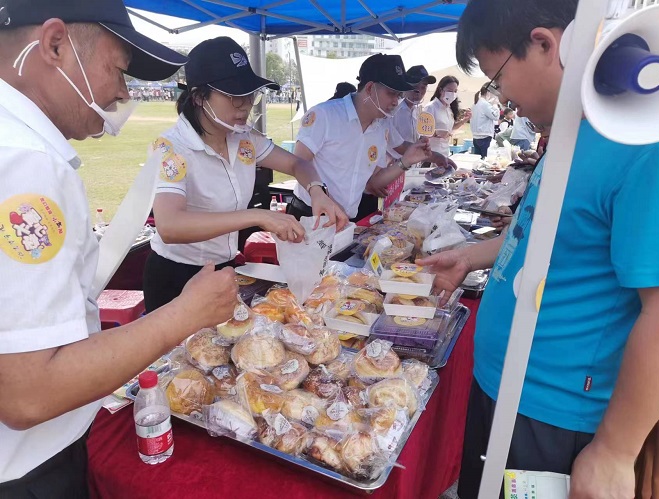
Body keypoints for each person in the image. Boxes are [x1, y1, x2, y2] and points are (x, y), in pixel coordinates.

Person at [418, 0, 659, 498]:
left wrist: (616, 450)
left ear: (544, 44)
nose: (501, 95)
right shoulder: (573, 130)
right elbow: (537, 234)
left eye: (497, 77)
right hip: (504, 389)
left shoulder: (642, 142)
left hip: (555, 416)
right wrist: (470, 256)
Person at [0, 1, 243, 497]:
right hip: (26, 467)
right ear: (53, 45)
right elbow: (27, 392)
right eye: (118, 70)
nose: (122, 93)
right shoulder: (24, 164)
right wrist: (186, 313)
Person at [143, 37, 346, 313]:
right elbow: (170, 226)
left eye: (250, 95)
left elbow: (299, 165)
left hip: (223, 269)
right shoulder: (171, 148)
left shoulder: (245, 139)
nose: (245, 105)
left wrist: (317, 191)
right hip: (177, 275)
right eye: (234, 96)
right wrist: (258, 216)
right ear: (200, 97)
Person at [287, 53, 434, 220]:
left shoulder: (381, 127)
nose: (395, 101)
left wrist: (406, 161)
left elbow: (373, 182)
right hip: (309, 215)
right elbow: (297, 163)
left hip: (346, 220)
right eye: (391, 93)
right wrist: (318, 194)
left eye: (399, 95)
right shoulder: (325, 115)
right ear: (370, 88)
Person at [423, 75, 471, 157]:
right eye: (450, 91)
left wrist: (464, 120)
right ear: (441, 90)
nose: (452, 94)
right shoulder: (430, 108)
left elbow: (450, 128)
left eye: (455, 91)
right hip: (431, 153)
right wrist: (436, 133)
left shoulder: (448, 108)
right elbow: (422, 133)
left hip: (445, 152)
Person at [390, 65, 437, 144]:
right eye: (415, 86)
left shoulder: (419, 111)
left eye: (423, 87)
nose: (419, 91)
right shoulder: (393, 111)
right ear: (405, 85)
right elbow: (393, 144)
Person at [470, 84, 501, 158]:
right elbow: (496, 116)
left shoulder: (475, 103)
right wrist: (495, 105)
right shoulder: (485, 104)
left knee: (478, 160)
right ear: (488, 92)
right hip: (484, 136)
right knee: (484, 160)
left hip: (476, 136)